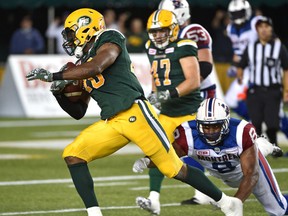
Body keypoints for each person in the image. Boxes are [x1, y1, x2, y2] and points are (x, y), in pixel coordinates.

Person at [25, 8, 242, 216]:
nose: (70, 39)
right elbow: (78, 111)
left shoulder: (109, 38)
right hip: (112, 122)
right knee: (73, 154)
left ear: (86, 28)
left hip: (136, 114)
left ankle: (227, 203)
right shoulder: (82, 63)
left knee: (174, 169)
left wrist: (55, 76)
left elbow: (98, 66)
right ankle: (94, 214)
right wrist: (58, 93)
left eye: (71, 33)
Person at [133, 98, 288, 216]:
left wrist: (236, 201)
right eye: (206, 126)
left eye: (216, 126)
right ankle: (262, 145)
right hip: (225, 174)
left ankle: (262, 146)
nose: (211, 131)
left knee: (279, 210)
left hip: (247, 172)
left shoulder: (241, 132)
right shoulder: (188, 134)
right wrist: (148, 161)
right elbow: (168, 157)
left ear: (226, 123)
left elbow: (251, 174)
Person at [136, 0, 219, 211]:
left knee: (203, 154)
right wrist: (157, 95)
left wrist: (172, 91)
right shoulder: (151, 46)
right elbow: (157, 74)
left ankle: (217, 196)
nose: (158, 35)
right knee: (157, 150)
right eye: (155, 31)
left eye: (163, 29)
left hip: (193, 102)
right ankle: (154, 199)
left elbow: (199, 73)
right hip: (169, 108)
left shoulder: (190, 37)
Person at [236, 16, 288, 148]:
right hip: (255, 90)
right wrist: (240, 76)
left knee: (272, 124)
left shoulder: (279, 47)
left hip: (273, 90)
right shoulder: (251, 47)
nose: (264, 30)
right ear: (257, 29)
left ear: (271, 28)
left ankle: (273, 144)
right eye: (261, 27)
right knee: (256, 122)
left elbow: (286, 70)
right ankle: (257, 150)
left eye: (266, 26)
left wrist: (286, 90)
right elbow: (241, 64)